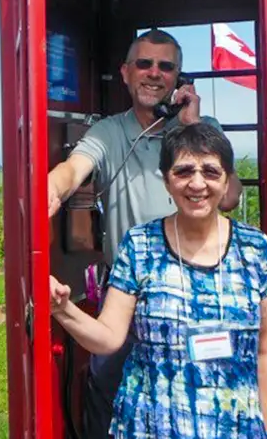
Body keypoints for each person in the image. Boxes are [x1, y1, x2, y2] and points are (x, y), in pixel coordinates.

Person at [47, 28, 242, 437]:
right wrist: (51, 188)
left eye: (166, 66)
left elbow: (230, 198)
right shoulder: (110, 132)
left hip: (197, 295)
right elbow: (75, 168)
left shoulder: (201, 129)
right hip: (127, 302)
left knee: (201, 406)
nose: (154, 73)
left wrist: (190, 126)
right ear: (124, 72)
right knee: (108, 396)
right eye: (144, 63)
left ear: (179, 80)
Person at [50, 122, 267, 438]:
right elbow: (109, 338)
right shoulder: (140, 244)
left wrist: (265, 429)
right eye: (183, 172)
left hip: (233, 428)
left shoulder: (255, 249)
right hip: (150, 427)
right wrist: (61, 309)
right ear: (167, 182)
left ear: (227, 182)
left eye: (210, 172)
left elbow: (264, 350)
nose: (197, 183)